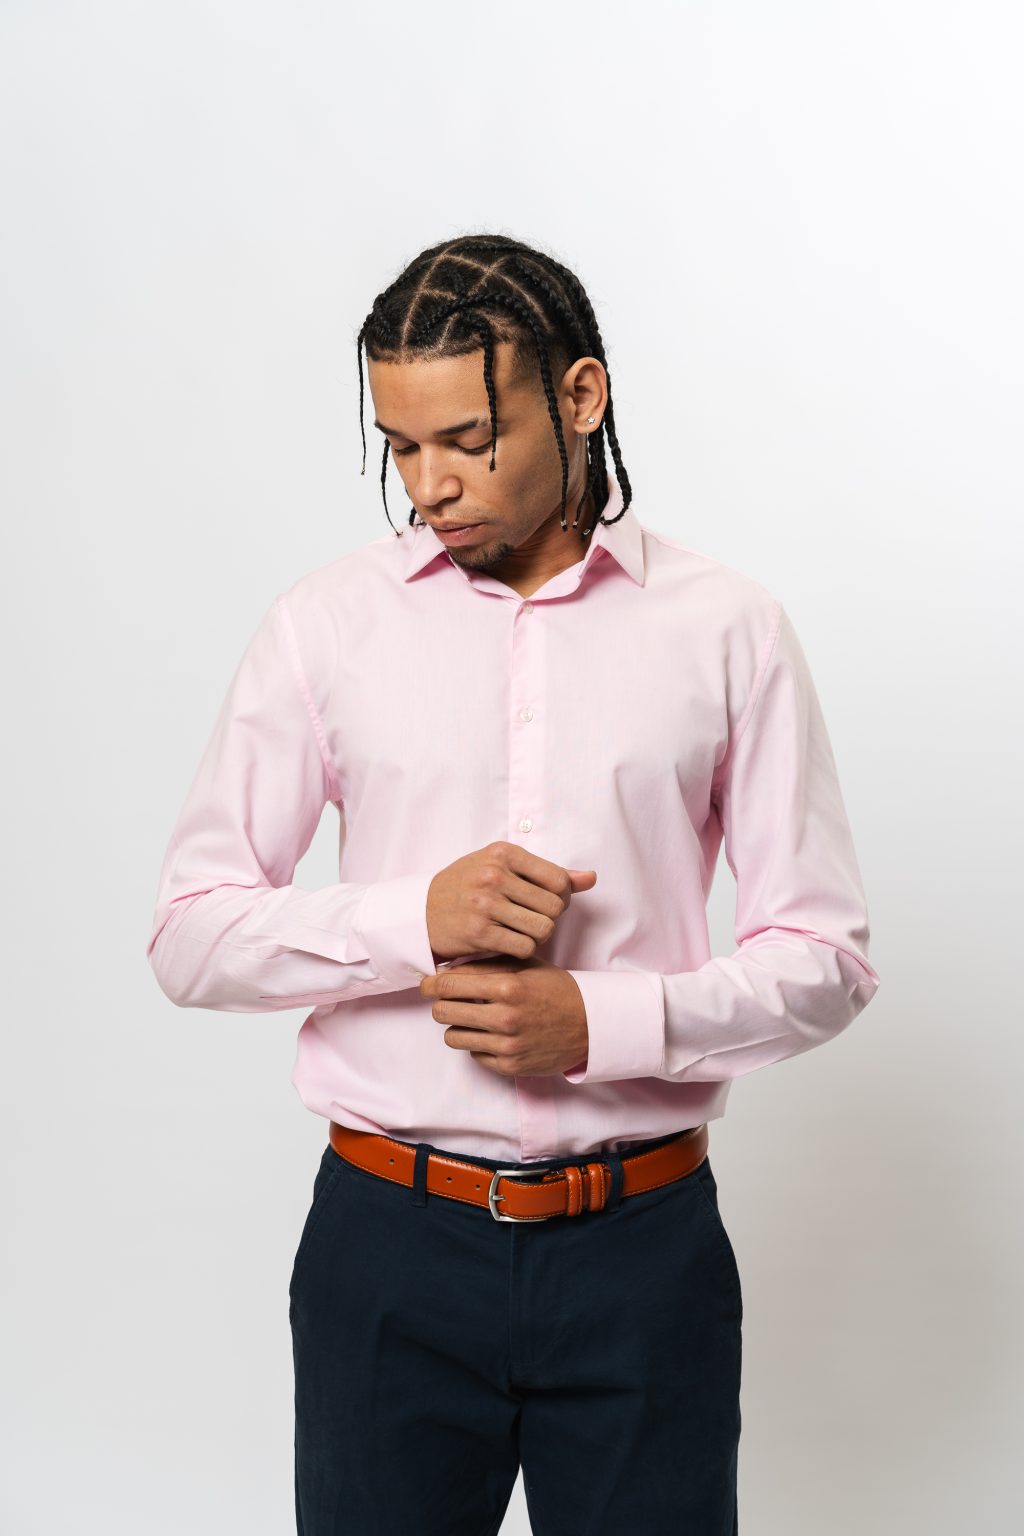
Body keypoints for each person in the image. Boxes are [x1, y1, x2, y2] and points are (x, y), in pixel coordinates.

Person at [145, 232, 881, 1536]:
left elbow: (825, 959)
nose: (431, 486)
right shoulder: (326, 627)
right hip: (389, 1250)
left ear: (580, 396)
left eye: (469, 439)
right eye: (400, 447)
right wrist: (410, 919)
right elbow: (189, 935)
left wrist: (602, 1023)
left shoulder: (730, 631)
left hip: (644, 1257)